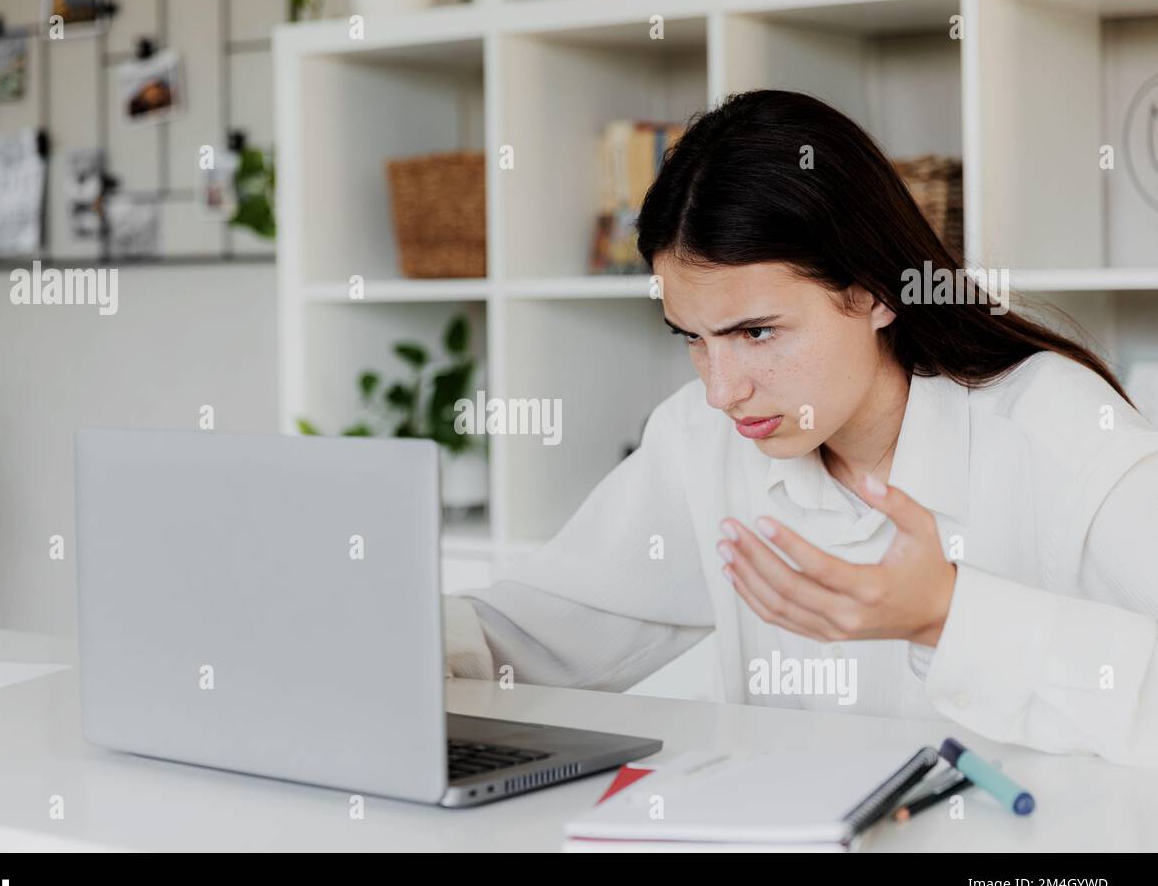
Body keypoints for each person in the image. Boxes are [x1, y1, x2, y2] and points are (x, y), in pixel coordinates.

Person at [443, 90, 1158, 766]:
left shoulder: (1057, 428)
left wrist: (946, 614)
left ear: (874, 291)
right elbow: (532, 635)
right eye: (691, 337)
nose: (722, 389)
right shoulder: (706, 437)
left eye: (757, 331)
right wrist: (383, 637)